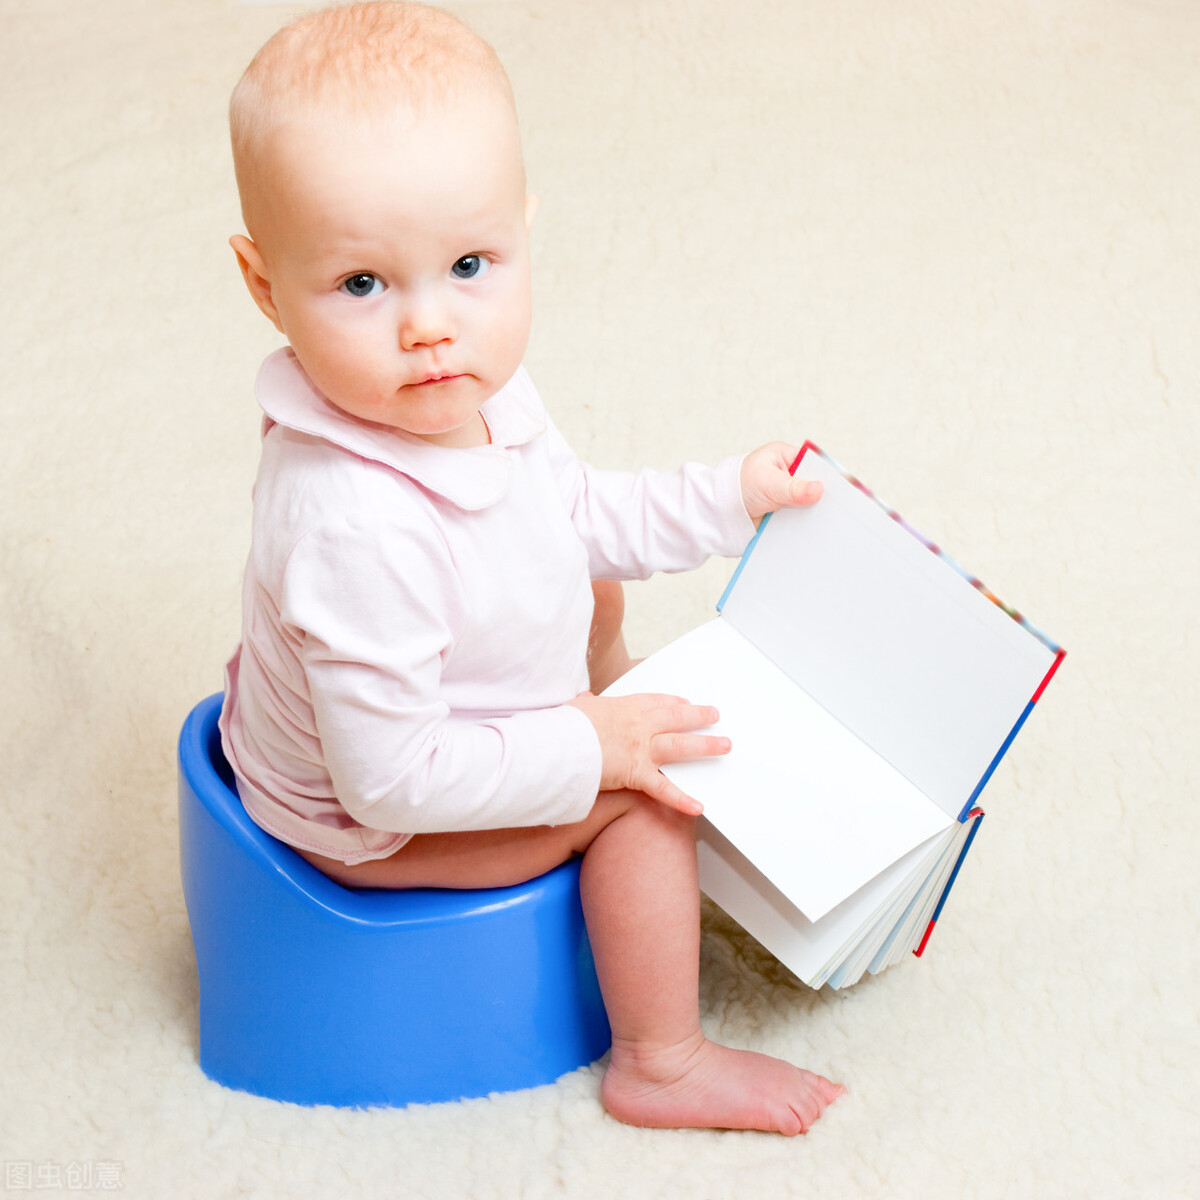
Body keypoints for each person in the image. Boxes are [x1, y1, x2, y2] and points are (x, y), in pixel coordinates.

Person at [219, 0, 843, 1135]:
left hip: (427, 702)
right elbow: (392, 782)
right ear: (265, 285)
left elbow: (580, 513)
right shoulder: (354, 526)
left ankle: (589, 734)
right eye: (362, 284)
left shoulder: (480, 394)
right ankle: (662, 1061)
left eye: (468, 264)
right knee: (646, 811)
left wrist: (730, 494)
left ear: (521, 228)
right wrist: (592, 751)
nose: (430, 328)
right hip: (373, 819)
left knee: (595, 580)